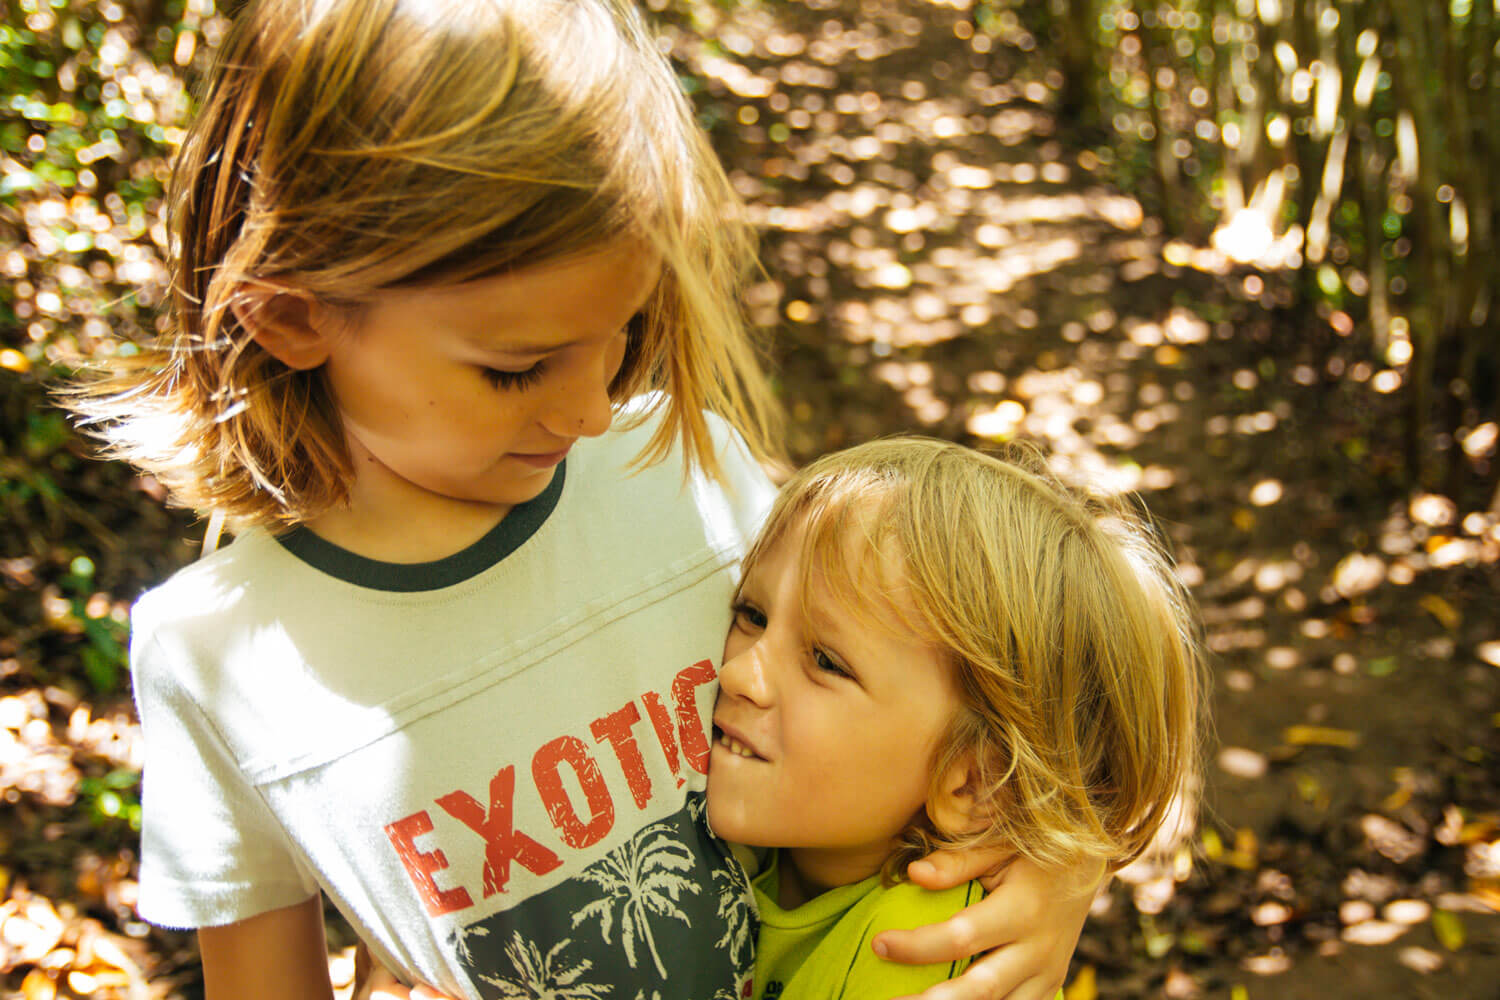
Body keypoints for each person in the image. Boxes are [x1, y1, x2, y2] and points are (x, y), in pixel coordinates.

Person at [66, 1, 1096, 997]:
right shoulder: (216, 658)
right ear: (293, 316)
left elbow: (952, 702)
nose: (594, 410)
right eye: (518, 370)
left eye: (621, 337)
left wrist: (1061, 861)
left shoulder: (682, 471)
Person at [704, 438, 1204, 999]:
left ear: (975, 783)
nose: (741, 674)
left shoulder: (922, 952)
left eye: (826, 662)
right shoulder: (796, 834)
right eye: (752, 614)